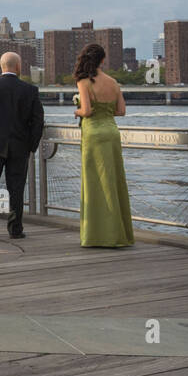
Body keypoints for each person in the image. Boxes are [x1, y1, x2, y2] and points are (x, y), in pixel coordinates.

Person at [0, 51, 45, 239]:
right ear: (18, 67)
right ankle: (15, 228)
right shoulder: (30, 90)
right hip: (19, 146)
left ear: (1, 67)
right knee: (16, 187)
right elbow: (38, 121)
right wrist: (31, 145)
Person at [73, 43, 134, 248]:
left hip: (94, 135)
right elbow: (121, 111)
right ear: (102, 60)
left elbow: (87, 111)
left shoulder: (84, 82)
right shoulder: (113, 82)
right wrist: (105, 112)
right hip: (112, 133)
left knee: (94, 183)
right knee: (114, 181)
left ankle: (96, 235)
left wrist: (77, 110)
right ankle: (118, 234)